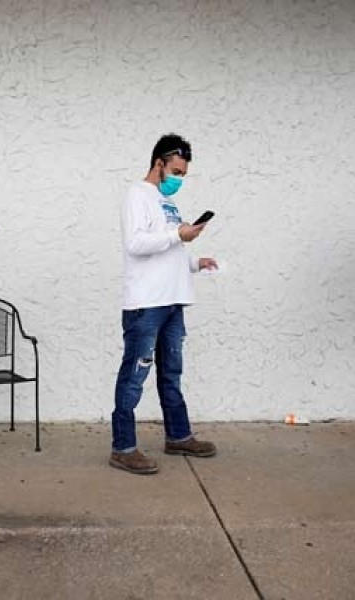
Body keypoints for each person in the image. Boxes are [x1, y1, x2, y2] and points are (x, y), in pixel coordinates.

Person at [110, 133, 219, 475]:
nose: (178, 179)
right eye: (175, 171)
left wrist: (194, 261)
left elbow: (170, 249)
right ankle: (123, 447)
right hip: (147, 303)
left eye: (183, 174)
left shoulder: (165, 201)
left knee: (171, 372)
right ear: (159, 162)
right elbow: (136, 244)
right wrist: (177, 235)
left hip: (174, 300)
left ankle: (178, 435)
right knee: (134, 376)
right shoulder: (137, 195)